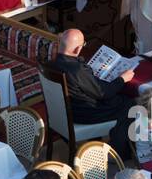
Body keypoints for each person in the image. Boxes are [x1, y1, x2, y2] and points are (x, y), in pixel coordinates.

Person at [50, 28, 136, 158]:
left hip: (67, 112)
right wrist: (122, 78)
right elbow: (103, 93)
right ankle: (121, 152)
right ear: (77, 49)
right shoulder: (77, 70)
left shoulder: (52, 64)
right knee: (130, 104)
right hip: (85, 114)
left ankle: (99, 144)